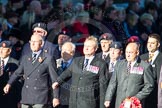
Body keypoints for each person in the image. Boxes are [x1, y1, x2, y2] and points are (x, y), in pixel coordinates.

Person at [3, 34, 59, 108]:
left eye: (35, 42)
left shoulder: (48, 58)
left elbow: (54, 80)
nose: (32, 44)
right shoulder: (26, 57)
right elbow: (17, 73)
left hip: (40, 97)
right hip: (26, 97)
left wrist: (56, 97)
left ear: (41, 44)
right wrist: (9, 84)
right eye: (31, 41)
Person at [52, 36, 109, 108]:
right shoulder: (77, 61)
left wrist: (102, 106)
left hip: (89, 103)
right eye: (85, 45)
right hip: (74, 102)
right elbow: (67, 72)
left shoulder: (101, 64)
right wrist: (58, 81)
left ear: (95, 48)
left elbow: (103, 87)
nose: (86, 48)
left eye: (89, 46)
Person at [104, 42, 154, 108]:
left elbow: (149, 86)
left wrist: (136, 98)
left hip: (135, 105)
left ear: (137, 52)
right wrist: (108, 98)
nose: (128, 55)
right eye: (127, 52)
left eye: (130, 52)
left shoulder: (145, 66)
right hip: (119, 103)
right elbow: (112, 83)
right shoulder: (119, 64)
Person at [140, 33, 162, 108]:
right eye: (148, 42)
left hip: (157, 95)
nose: (149, 45)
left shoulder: (161, 58)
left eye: (152, 43)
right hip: (143, 95)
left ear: (158, 44)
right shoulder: (142, 57)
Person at [0, 40, 21, 108]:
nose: (1, 51)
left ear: (9, 51)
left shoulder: (16, 63)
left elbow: (19, 82)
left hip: (10, 98)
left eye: (3, 49)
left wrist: (19, 99)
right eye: (0, 48)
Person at [56, 42, 76, 108]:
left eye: (66, 50)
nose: (63, 52)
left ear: (72, 53)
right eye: (62, 50)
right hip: (58, 99)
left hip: (72, 100)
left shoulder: (77, 64)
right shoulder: (56, 63)